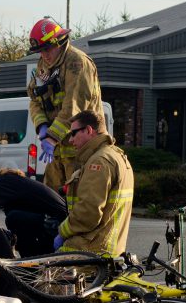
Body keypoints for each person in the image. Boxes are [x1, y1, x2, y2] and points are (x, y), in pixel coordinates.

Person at [27, 16, 104, 192]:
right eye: (40, 51)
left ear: (59, 42)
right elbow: (34, 99)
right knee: (51, 199)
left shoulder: (77, 63)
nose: (44, 55)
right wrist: (42, 126)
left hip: (81, 149)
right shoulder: (44, 65)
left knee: (77, 198)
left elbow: (74, 106)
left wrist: (52, 136)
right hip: (57, 149)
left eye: (47, 49)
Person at [54, 109, 134, 257]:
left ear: (89, 130)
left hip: (90, 252)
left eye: (73, 133)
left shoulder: (98, 162)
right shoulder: (116, 155)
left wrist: (62, 231)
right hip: (107, 250)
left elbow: (88, 213)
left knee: (38, 278)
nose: (71, 140)